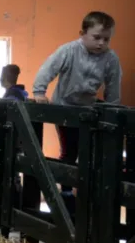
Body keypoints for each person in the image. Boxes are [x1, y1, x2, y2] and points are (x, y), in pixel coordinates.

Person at [31, 11, 121, 201]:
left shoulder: (110, 58)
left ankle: (86, 192)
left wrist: (112, 108)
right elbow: (48, 68)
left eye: (106, 39)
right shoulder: (69, 50)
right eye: (96, 37)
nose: (101, 43)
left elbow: (113, 84)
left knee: (90, 151)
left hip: (88, 108)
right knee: (69, 149)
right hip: (64, 107)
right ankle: (66, 191)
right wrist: (39, 92)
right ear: (82, 34)